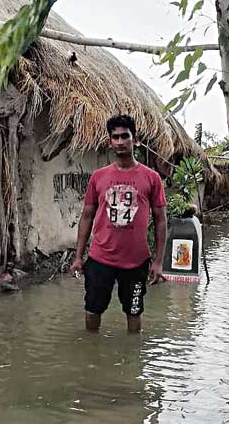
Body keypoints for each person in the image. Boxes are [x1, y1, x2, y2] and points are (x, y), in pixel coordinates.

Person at [68, 114, 167, 333]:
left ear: (136, 139)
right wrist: (78, 257)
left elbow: (161, 220)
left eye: (125, 136)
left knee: (134, 311)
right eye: (115, 137)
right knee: (93, 309)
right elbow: (87, 216)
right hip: (100, 258)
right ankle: (92, 355)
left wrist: (158, 262)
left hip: (136, 262)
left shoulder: (151, 178)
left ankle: (132, 360)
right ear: (109, 141)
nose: (120, 142)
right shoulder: (98, 177)